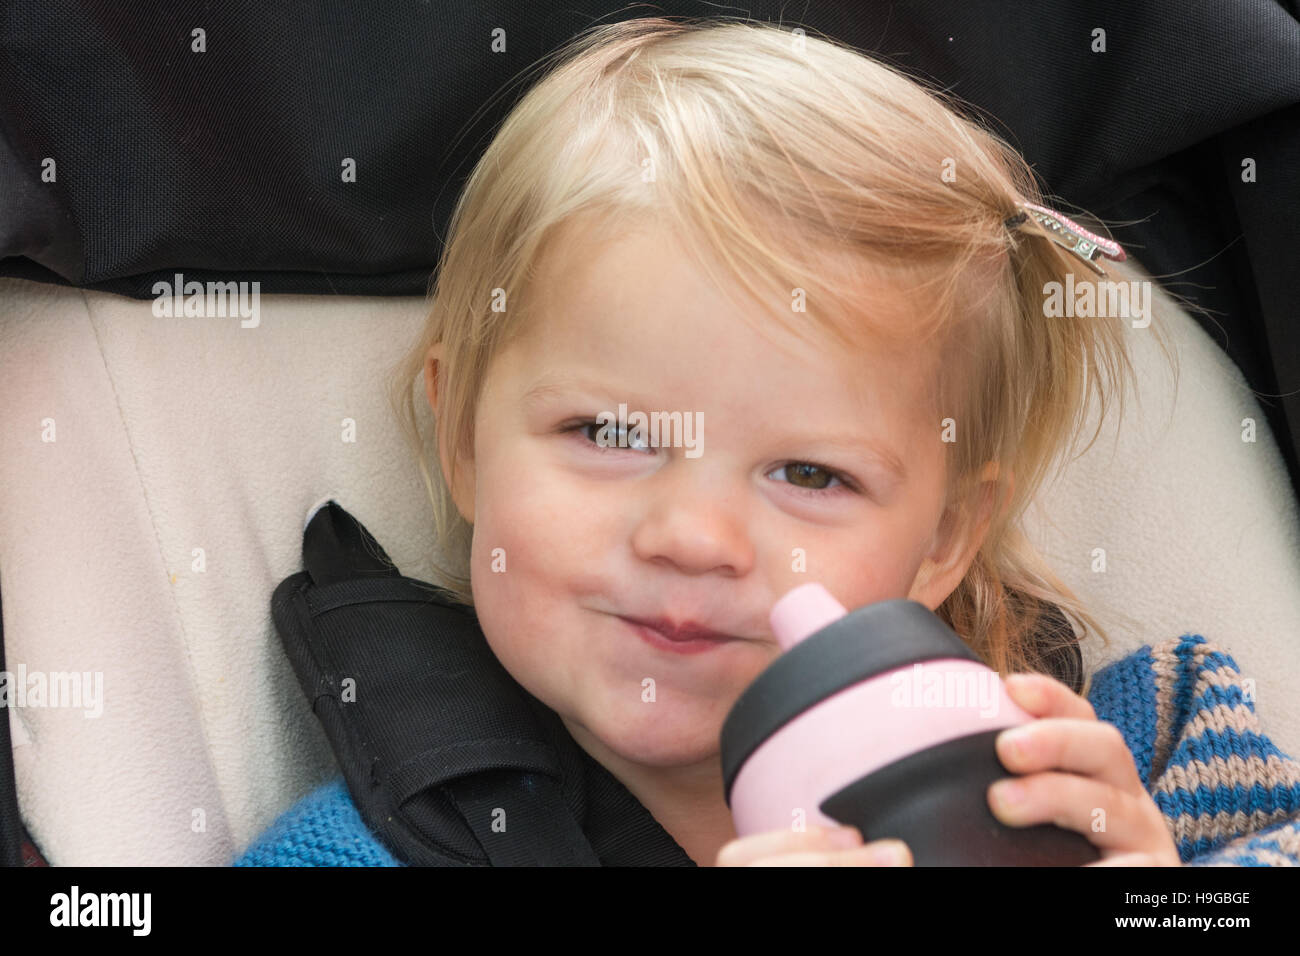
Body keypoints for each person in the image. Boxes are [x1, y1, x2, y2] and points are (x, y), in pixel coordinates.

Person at [235, 17, 1300, 866]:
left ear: (943, 537)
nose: (695, 536)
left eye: (809, 473)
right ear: (461, 438)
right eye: (607, 431)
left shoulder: (1138, 754)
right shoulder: (356, 850)